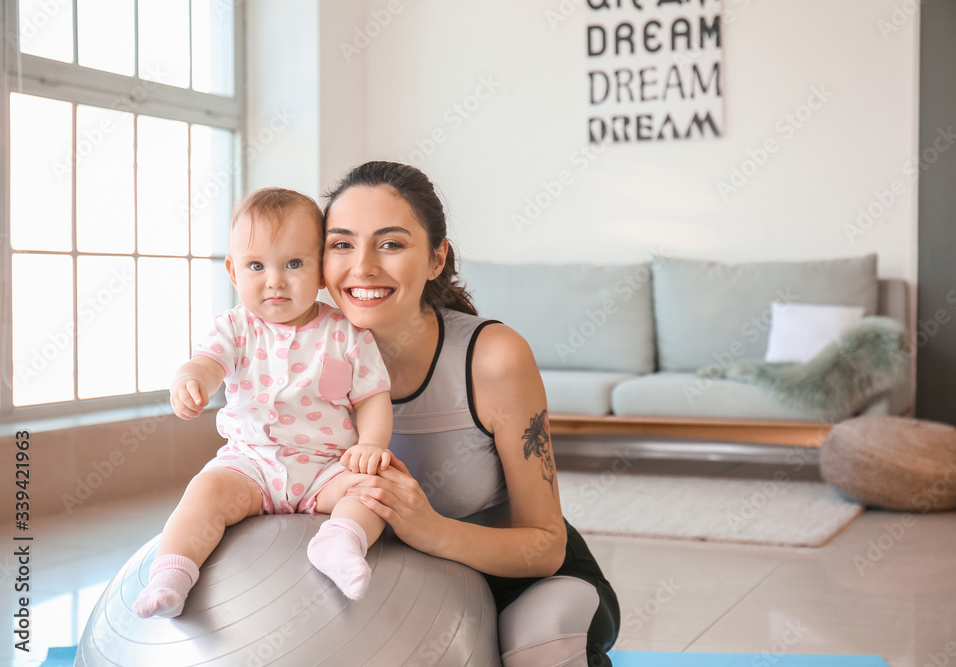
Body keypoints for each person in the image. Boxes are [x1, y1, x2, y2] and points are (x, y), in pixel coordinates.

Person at [322, 161, 620, 666]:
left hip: (523, 586)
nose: (364, 266)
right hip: (402, 582)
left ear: (437, 258)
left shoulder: (492, 357)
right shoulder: (303, 357)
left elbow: (546, 544)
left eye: (391, 244)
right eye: (341, 243)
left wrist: (430, 529)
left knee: (537, 641)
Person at [133, 187, 394, 618]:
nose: (275, 280)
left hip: (327, 467)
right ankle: (171, 575)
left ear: (322, 271)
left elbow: (372, 398)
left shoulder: (346, 332)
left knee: (374, 492)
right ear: (234, 272)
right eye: (257, 266)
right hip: (250, 465)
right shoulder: (234, 328)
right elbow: (206, 363)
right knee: (205, 492)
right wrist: (189, 380)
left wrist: (370, 444)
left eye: (294, 264)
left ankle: (341, 541)